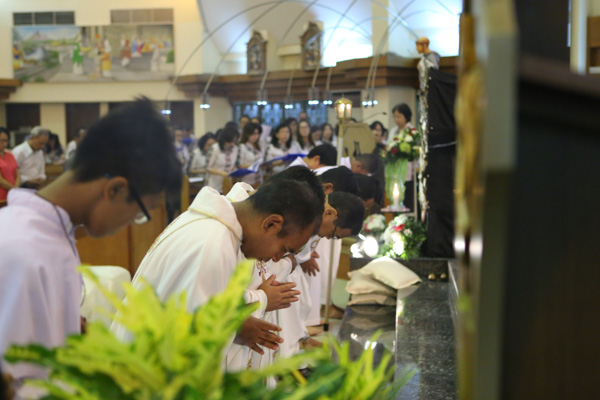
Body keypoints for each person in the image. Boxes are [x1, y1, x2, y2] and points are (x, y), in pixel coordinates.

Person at [0, 98, 182, 393]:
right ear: (115, 189)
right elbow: (13, 380)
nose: (131, 222)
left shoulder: (51, 234)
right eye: (139, 212)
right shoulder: (23, 250)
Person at [112, 177, 324, 370]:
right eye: (283, 249)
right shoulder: (214, 245)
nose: (277, 258)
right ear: (270, 224)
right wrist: (240, 323)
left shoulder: (212, 228)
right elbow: (194, 343)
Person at [389, 103, 417, 211]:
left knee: (407, 194)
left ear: (406, 116)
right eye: (394, 117)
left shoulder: (412, 131)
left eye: (399, 116)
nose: (396, 120)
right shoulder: (393, 131)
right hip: (395, 167)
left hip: (408, 168)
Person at [206, 127, 239, 193]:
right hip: (215, 185)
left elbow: (232, 164)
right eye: (230, 141)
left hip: (228, 184)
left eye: (234, 141)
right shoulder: (215, 148)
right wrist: (222, 173)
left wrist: (235, 170)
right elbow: (208, 168)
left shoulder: (235, 148)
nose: (232, 144)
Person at [238, 122, 263, 186]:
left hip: (259, 180)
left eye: (257, 133)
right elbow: (239, 165)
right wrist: (254, 165)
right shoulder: (242, 147)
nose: (255, 136)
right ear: (247, 134)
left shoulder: (258, 146)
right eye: (253, 134)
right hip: (247, 181)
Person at [0, 128, 19, 201]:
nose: (4, 143)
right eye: (2, 140)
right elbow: (0, 180)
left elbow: (18, 174)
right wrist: (13, 189)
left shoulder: (10, 155)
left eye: (6, 140)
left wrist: (16, 187)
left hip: (12, 194)